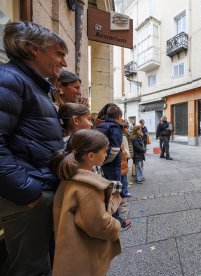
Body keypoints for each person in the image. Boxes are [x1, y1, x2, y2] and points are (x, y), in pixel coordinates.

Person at [0, 21, 67, 276]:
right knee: (30, 270)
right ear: (32, 49)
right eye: (59, 53)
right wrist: (29, 191)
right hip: (27, 196)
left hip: (37, 190)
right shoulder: (9, 79)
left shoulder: (33, 85)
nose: (63, 62)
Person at [50, 129, 121, 276]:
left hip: (70, 252)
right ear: (91, 156)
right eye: (104, 151)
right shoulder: (88, 187)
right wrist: (116, 226)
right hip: (84, 256)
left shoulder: (69, 177)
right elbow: (99, 224)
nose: (106, 154)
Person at [96, 104, 132, 230]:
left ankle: (111, 215)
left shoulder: (100, 126)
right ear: (119, 117)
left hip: (103, 165)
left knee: (108, 189)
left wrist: (101, 162)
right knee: (115, 191)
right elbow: (115, 149)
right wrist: (106, 161)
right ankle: (116, 220)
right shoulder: (115, 127)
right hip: (112, 165)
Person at [121, 124, 132, 197]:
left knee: (125, 170)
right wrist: (128, 154)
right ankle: (125, 188)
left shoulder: (126, 135)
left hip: (125, 154)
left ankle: (126, 183)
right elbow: (126, 146)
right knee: (124, 170)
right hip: (124, 154)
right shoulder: (123, 136)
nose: (127, 129)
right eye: (126, 128)